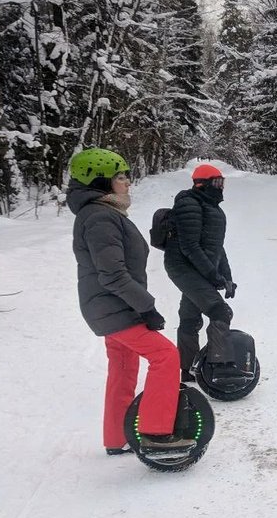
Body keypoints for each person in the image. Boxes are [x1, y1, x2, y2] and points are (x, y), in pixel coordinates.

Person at [67, 148, 193, 452]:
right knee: (166, 356)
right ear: (101, 181)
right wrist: (146, 307)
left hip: (110, 307)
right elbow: (112, 274)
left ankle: (116, 438)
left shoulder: (102, 213)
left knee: (123, 368)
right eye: (121, 177)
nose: (127, 182)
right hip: (115, 308)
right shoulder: (100, 217)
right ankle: (156, 433)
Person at [164, 163, 236, 380]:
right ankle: (219, 367)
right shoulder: (189, 204)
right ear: (201, 183)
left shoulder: (212, 207)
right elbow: (190, 247)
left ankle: (188, 370)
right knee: (220, 311)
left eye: (222, 182)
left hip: (199, 269)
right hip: (183, 268)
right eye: (217, 182)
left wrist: (227, 277)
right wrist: (213, 276)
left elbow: (217, 247)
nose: (221, 187)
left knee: (190, 317)